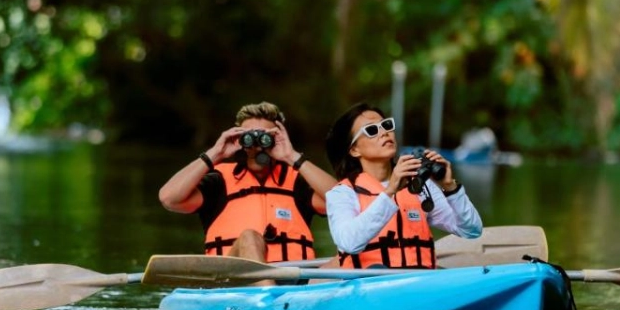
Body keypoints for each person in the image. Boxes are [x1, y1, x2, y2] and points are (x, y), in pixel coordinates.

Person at [159, 102, 337, 262]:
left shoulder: (297, 182)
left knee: (350, 255)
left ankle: (268, 292)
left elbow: (343, 201)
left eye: (266, 137)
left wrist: (292, 156)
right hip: (234, 281)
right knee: (249, 238)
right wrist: (215, 153)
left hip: (291, 278)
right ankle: (266, 293)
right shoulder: (219, 182)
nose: (258, 145)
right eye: (249, 137)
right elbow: (169, 198)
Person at [323, 102, 482, 269]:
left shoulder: (420, 185)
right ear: (354, 150)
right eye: (371, 130)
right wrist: (390, 191)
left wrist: (450, 187)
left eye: (386, 125)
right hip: (371, 286)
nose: (384, 132)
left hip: (420, 283)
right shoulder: (342, 194)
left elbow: (472, 230)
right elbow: (349, 242)